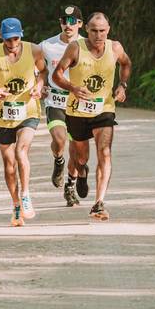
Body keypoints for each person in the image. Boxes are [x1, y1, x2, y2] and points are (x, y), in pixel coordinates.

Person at [52, 12, 131, 221]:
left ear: (108, 30)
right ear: (86, 29)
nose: (98, 35)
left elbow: (126, 64)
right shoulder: (75, 48)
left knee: (104, 152)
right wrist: (72, 88)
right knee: (81, 158)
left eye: (102, 31)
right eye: (94, 31)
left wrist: (122, 85)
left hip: (104, 109)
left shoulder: (115, 48)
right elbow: (56, 74)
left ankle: (99, 203)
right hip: (77, 111)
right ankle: (81, 172)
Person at [0, 18, 47, 226]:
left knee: (21, 151)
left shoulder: (34, 50)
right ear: (0, 36)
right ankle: (15, 205)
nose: (12, 43)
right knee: (9, 164)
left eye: (16, 38)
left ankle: (25, 194)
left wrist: (39, 85)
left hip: (28, 111)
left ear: (21, 34)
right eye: (8, 39)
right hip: (2, 115)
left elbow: (44, 71)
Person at [38, 5, 84, 206]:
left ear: (80, 24)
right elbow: (36, 67)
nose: (68, 25)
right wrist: (39, 84)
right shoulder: (47, 45)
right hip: (55, 100)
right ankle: (58, 161)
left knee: (77, 149)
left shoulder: (86, 45)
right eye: (65, 21)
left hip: (78, 103)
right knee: (60, 140)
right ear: (60, 23)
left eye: (73, 21)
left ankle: (70, 186)